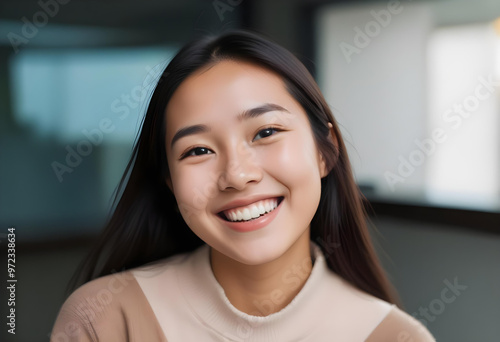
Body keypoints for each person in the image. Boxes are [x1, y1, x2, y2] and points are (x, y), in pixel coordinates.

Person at [50, 29, 435, 341]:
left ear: (325, 151)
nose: (236, 174)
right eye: (198, 150)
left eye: (266, 132)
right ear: (170, 181)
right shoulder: (103, 319)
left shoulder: (394, 336)